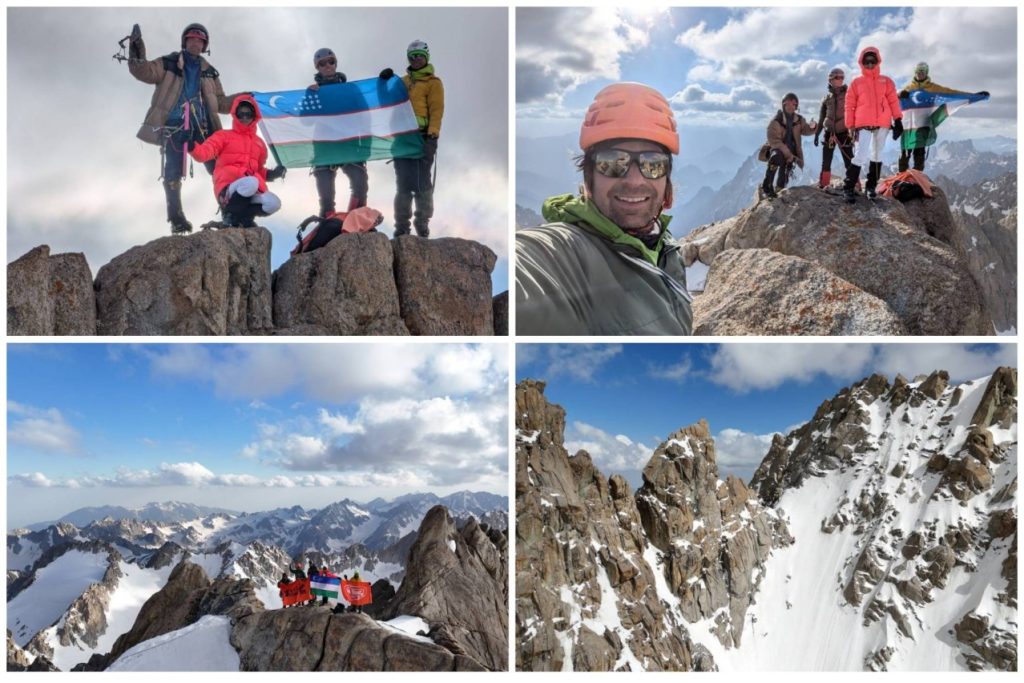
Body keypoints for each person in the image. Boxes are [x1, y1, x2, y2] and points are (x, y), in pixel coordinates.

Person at [515, 82, 692, 336]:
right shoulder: (564, 254)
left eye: (652, 164)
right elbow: (527, 263)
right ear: (588, 177)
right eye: (612, 163)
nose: (634, 181)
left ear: (666, 179)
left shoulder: (666, 249)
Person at [127, 23, 243, 234]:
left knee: (218, 168)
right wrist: (136, 47)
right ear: (185, 41)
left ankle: (230, 213)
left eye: (200, 40)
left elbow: (221, 103)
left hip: (203, 126)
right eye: (192, 39)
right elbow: (143, 71)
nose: (196, 43)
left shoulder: (210, 72)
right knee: (172, 170)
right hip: (174, 125)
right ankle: (176, 218)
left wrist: (245, 98)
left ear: (204, 45)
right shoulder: (169, 63)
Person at [188, 95, 286, 227]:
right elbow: (204, 153)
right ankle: (229, 215)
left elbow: (258, 170)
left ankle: (245, 218)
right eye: (241, 114)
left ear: (254, 115)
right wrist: (191, 146)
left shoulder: (259, 143)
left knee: (273, 203)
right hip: (228, 189)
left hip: (250, 188)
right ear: (235, 114)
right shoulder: (223, 136)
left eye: (248, 114)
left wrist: (273, 174)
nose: (245, 117)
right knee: (251, 182)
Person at [381, 40, 444, 237]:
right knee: (403, 184)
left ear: (426, 57)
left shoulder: (433, 83)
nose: (416, 59)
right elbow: (385, 101)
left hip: (422, 137)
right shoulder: (401, 83)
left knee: (422, 183)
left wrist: (432, 138)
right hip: (401, 138)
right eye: (412, 56)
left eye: (419, 55)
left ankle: (422, 223)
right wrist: (383, 82)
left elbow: (436, 110)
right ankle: (402, 227)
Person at [307, 48, 369, 217]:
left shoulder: (351, 89)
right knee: (326, 195)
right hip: (324, 145)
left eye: (331, 61)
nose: (327, 65)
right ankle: (328, 222)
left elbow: (365, 117)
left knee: (360, 183)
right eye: (322, 63)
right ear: (317, 67)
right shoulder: (314, 91)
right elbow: (305, 121)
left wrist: (366, 146)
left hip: (348, 143)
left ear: (335, 63)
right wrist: (309, 97)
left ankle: (354, 219)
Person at [897, 62, 989, 172]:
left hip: (922, 127)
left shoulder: (933, 88)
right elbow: (891, 96)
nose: (920, 73)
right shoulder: (908, 89)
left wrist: (974, 96)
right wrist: (899, 93)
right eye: (918, 71)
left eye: (923, 71)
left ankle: (918, 179)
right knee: (904, 155)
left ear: (926, 72)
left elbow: (952, 94)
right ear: (915, 72)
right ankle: (900, 179)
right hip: (907, 128)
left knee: (919, 154)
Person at [843, 46, 903, 202]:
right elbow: (850, 105)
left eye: (872, 61)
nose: (870, 65)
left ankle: (870, 187)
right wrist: (850, 125)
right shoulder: (856, 83)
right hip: (863, 124)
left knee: (877, 154)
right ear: (862, 63)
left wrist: (898, 119)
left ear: (878, 61)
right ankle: (848, 187)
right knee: (861, 155)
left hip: (882, 124)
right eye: (866, 62)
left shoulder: (886, 81)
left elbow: (893, 101)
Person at [762, 93, 816, 199]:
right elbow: (775, 142)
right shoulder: (775, 122)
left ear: (796, 106)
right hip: (778, 149)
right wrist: (789, 154)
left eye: (793, 104)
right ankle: (767, 186)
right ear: (783, 105)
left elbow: (805, 130)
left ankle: (779, 189)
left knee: (785, 168)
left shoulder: (799, 120)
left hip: (791, 150)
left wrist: (813, 127)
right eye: (788, 104)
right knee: (777, 158)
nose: (791, 107)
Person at [814, 68, 854, 188]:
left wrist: (855, 130)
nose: (840, 80)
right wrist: (817, 134)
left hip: (844, 132)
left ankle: (853, 184)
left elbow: (854, 113)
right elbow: (821, 118)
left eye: (842, 77)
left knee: (849, 160)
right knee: (826, 160)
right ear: (830, 79)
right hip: (829, 133)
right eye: (837, 77)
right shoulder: (826, 98)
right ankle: (824, 183)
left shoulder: (849, 95)